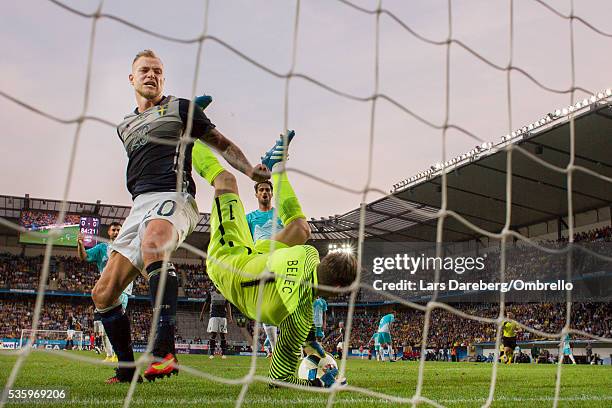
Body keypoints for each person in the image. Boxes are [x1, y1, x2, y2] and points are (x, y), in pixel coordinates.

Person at [91, 49, 268, 384]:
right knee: (103, 293)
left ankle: (164, 350)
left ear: (163, 77)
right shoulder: (124, 126)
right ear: (132, 78)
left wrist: (250, 172)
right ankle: (127, 371)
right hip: (139, 205)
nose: (151, 75)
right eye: (144, 70)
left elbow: (222, 143)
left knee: (154, 244)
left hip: (175, 197)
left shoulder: (182, 108)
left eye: (157, 70)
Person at [192, 129, 357, 387]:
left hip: (259, 255)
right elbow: (279, 381)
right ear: (338, 288)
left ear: (325, 260)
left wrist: (316, 349)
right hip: (228, 260)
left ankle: (276, 168)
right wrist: (320, 382)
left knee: (301, 229)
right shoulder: (297, 320)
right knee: (224, 181)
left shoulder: (309, 253)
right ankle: (187, 138)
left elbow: (297, 288)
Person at [245, 178, 284, 357]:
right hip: (261, 263)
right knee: (266, 306)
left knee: (286, 304)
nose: (264, 192)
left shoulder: (280, 215)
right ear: (256, 194)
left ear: (271, 192)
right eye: (261, 190)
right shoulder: (249, 218)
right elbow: (244, 240)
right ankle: (275, 350)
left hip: (281, 262)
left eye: (267, 189)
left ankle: (294, 346)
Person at [77, 222, 126, 363]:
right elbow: (84, 257)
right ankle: (110, 355)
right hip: (106, 289)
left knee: (118, 323)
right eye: (114, 230)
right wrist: (80, 244)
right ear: (109, 233)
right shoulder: (102, 248)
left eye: (118, 230)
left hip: (123, 289)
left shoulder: (127, 247)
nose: (116, 232)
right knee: (106, 326)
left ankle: (118, 355)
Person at [199, 288, 232, 359]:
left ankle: (223, 354)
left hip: (223, 316)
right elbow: (206, 304)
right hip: (214, 316)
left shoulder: (225, 293)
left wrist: (230, 316)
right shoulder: (211, 294)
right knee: (213, 334)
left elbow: (228, 305)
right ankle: (212, 353)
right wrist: (201, 314)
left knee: (222, 335)